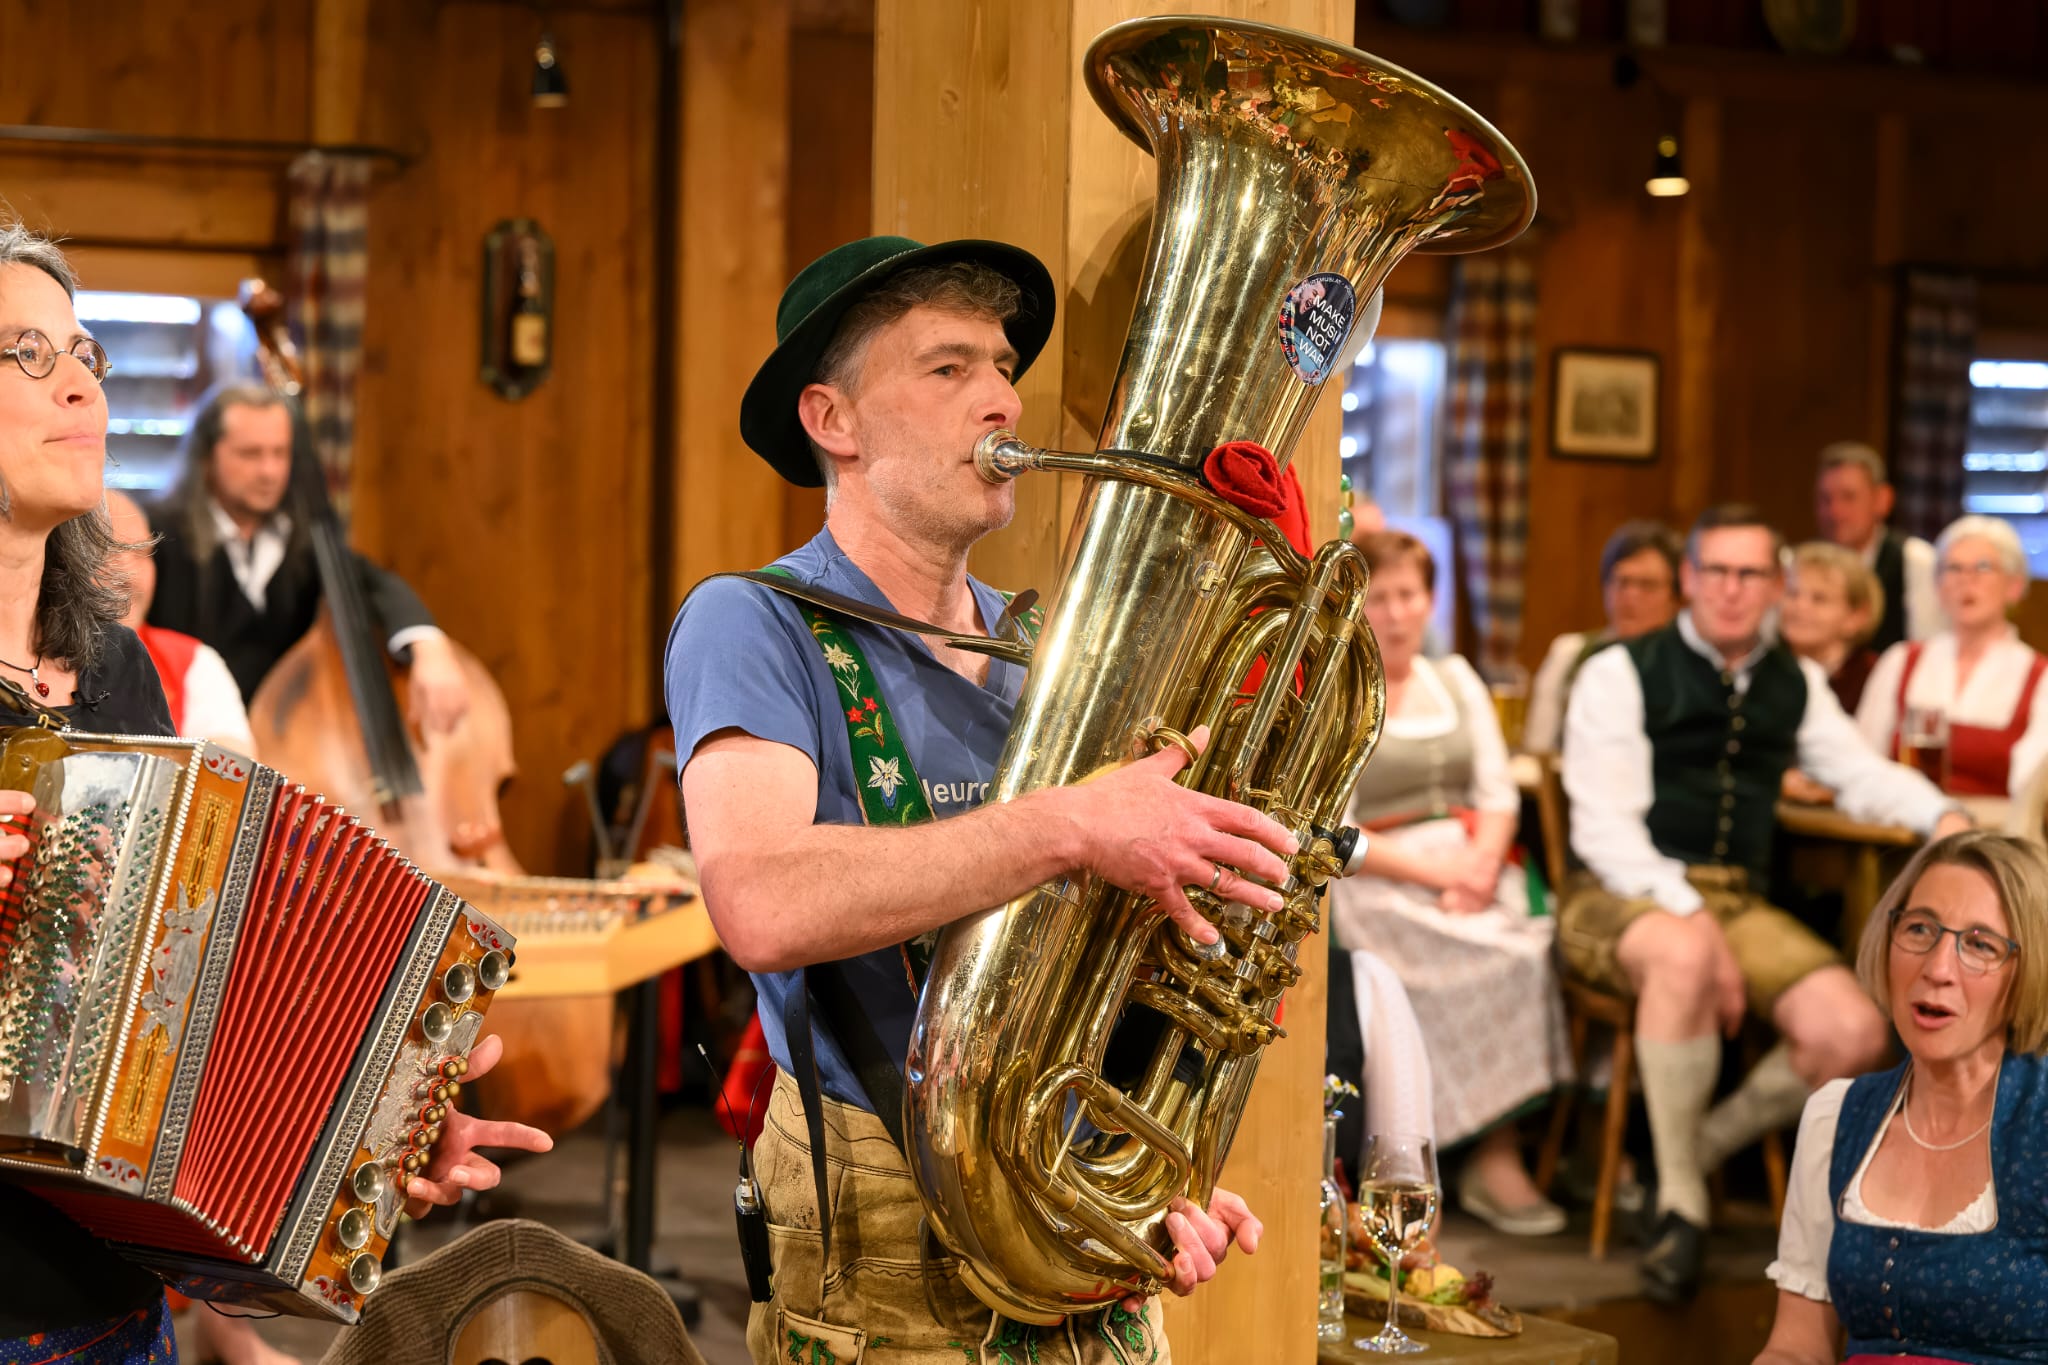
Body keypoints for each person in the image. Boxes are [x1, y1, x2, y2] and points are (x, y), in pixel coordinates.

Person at [666, 236, 1284, 1362]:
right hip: (878, 1261)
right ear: (832, 421)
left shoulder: (1050, 652)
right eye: (946, 370)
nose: (1000, 398)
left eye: (1000, 366)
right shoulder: (752, 621)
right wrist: (1070, 825)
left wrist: (1156, 1162)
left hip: (1069, 1220)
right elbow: (758, 900)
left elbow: (1111, 955)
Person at [0, 223, 550, 1360]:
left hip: (110, 1300)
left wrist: (373, 1121)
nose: (78, 386)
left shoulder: (117, 666)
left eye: (85, 353)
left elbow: (190, 985)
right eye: (24, 352)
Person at [1560, 503, 1968, 1305]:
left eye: (1751, 574)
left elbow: (1860, 771)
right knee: (1681, 954)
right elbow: (1604, 830)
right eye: (1715, 570)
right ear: (1688, 578)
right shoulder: (1618, 668)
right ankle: (1682, 1212)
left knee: (1853, 1028)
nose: (1732, 590)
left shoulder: (1796, 680)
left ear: (1777, 585)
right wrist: (1690, 914)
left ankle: (1687, 1161)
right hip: (1617, 890)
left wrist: (1941, 816)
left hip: (1737, 901)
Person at [1328, 530, 1571, 1236]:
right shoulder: (1340, 693)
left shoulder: (1457, 677)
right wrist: (1440, 873)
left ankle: (1495, 1152)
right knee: (1440, 962)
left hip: (1468, 863)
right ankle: (1418, 1150)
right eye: (1379, 598)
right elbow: (1341, 830)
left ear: (1430, 601)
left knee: (1527, 946)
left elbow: (1498, 791)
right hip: (1383, 876)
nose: (1397, 614)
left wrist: (1482, 866)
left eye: (1409, 596)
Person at [1755, 831, 2048, 1365]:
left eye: (1980, 944)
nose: (1937, 969)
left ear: (2029, 970)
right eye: (1920, 930)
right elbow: (1796, 1348)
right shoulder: (1837, 1116)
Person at [144, 381, 469, 730]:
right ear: (207, 456)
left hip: (289, 742)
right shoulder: (158, 535)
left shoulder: (305, 543)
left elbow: (373, 583)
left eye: (280, 454)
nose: (269, 472)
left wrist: (428, 647)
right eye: (250, 454)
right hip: (190, 737)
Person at [1856, 514, 2048, 802]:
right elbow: (1862, 765)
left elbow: (2033, 792)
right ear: (1937, 586)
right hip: (1899, 835)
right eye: (1953, 568)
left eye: (1983, 568)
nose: (1965, 581)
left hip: (1992, 840)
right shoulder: (1900, 661)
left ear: (2014, 586)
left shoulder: (2040, 678)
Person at [103, 487, 257, 753]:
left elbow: (233, 772)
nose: (131, 576)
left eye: (142, 554)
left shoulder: (194, 662)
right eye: (110, 552)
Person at [1522, 519, 1682, 756]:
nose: (1630, 596)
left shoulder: (1690, 665)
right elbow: (1539, 749)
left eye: (1647, 585)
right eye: (1621, 582)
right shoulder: (1570, 653)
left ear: (1676, 597)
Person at [1814, 441, 1940, 652]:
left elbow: (1929, 651)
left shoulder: (1915, 561)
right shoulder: (1803, 566)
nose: (1834, 512)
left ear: (1882, 500)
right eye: (1825, 499)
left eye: (1849, 497)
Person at [1780, 541, 1885, 716]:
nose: (1799, 606)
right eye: (1792, 593)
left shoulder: (1878, 678)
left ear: (1858, 616)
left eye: (1819, 599)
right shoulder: (1764, 669)